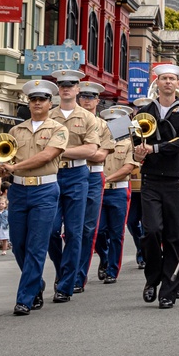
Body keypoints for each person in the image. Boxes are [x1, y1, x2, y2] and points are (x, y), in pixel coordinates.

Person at [0, 79, 70, 316]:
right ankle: (35, 283)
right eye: (33, 99)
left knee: (36, 246)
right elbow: (9, 160)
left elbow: (47, 156)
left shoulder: (59, 129)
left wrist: (14, 168)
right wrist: (2, 167)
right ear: (28, 102)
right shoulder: (16, 130)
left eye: (42, 99)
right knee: (19, 245)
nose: (37, 103)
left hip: (45, 190)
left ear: (50, 103)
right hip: (18, 189)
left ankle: (24, 298)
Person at [134, 63, 179, 309]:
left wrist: (155, 147)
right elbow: (137, 140)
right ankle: (152, 279)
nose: (168, 82)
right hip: (151, 178)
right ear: (157, 83)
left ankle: (169, 289)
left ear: (178, 84)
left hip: (175, 179)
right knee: (152, 231)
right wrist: (137, 152)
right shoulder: (144, 111)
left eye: (172, 79)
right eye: (163, 78)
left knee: (173, 236)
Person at [47, 69, 100, 303]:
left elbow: (91, 150)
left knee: (74, 232)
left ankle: (67, 284)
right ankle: (64, 271)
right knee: (49, 230)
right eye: (62, 84)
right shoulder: (49, 117)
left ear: (78, 89)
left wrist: (58, 151)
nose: (67, 88)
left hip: (78, 174)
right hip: (52, 173)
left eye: (71, 84)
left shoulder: (88, 118)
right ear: (58, 89)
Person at [75, 80, 116, 292]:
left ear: (98, 101)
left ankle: (78, 276)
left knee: (90, 229)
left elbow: (101, 154)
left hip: (93, 176)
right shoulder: (65, 120)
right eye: (83, 96)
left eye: (90, 97)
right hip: (66, 174)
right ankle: (66, 269)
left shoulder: (106, 124)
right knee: (58, 231)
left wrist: (77, 152)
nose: (86, 100)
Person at [95, 106, 137, 284]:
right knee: (98, 231)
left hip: (118, 190)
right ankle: (104, 259)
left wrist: (105, 179)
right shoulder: (99, 143)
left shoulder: (129, 144)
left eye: (116, 122)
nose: (113, 126)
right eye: (110, 122)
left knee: (116, 233)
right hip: (100, 191)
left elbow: (128, 167)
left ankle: (112, 270)